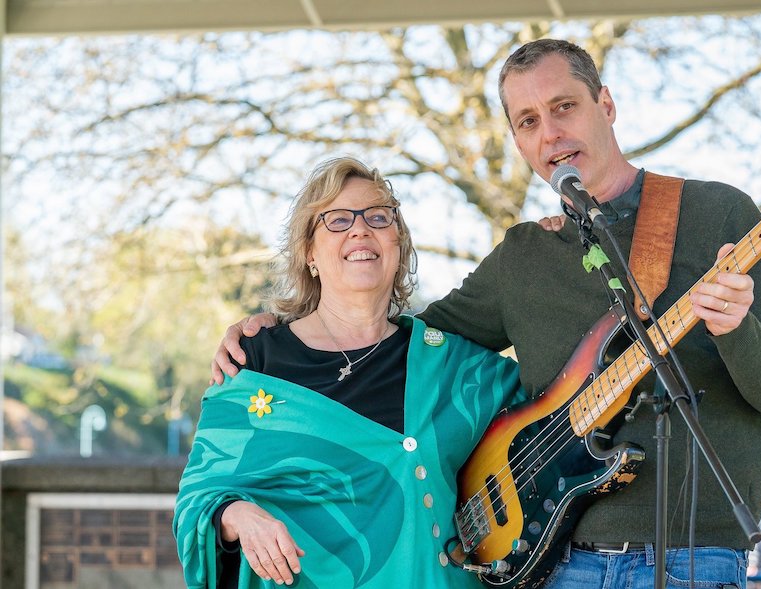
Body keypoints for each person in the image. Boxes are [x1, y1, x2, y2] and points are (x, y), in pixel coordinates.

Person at [212, 39, 761, 589]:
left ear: (606, 103)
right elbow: (399, 350)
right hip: (557, 564)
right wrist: (280, 331)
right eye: (528, 121)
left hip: (696, 557)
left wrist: (738, 330)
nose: (550, 134)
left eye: (564, 107)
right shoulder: (525, 254)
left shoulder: (718, 215)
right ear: (518, 140)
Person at [174, 156, 524, 589]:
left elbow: (554, 407)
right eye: (337, 220)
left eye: (379, 217)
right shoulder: (255, 360)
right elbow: (197, 500)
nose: (361, 229)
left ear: (398, 244)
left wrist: (553, 250)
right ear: (309, 252)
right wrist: (239, 516)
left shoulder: (453, 366)